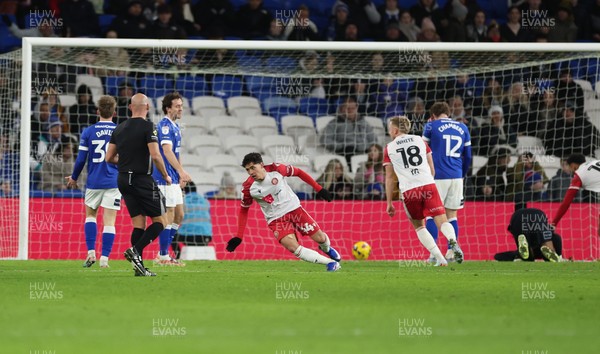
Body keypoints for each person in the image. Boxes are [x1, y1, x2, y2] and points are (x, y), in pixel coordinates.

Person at [226, 152, 342, 272]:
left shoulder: (276, 169)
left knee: (320, 238)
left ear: (261, 165)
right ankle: (330, 263)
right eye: (247, 170)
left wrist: (319, 189)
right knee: (293, 247)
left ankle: (326, 248)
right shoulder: (248, 188)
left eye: (252, 168)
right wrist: (239, 236)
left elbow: (299, 172)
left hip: (294, 209)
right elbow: (244, 210)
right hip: (276, 219)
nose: (250, 172)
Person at [105, 93, 172, 277]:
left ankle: (138, 267)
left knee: (139, 224)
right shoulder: (149, 126)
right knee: (161, 221)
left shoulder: (118, 128)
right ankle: (135, 250)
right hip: (142, 179)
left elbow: (109, 157)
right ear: (148, 107)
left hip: (123, 180)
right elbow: (156, 155)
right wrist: (166, 175)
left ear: (129, 108)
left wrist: (126, 161)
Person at [384, 116, 464, 266]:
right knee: (442, 220)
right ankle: (452, 241)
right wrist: (429, 184)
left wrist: (389, 203)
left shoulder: (389, 148)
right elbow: (431, 167)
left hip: (409, 190)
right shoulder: (420, 140)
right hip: (428, 184)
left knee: (419, 226)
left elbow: (389, 178)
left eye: (389, 128)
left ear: (395, 130)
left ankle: (439, 259)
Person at [66, 96, 121, 268]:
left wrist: (74, 177)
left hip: (94, 182)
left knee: (91, 216)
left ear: (97, 111)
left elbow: (81, 159)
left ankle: (91, 254)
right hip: (113, 182)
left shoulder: (88, 131)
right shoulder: (120, 131)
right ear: (114, 112)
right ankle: (105, 259)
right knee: (110, 221)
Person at [422, 102, 471, 262]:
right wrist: (461, 174)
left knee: (430, 215)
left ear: (433, 115)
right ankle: (451, 251)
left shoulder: (431, 126)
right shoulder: (463, 127)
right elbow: (468, 156)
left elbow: (423, 151)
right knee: (452, 216)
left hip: (437, 176)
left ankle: (434, 254)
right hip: (456, 177)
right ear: (448, 113)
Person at [151, 92, 192, 266]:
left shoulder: (175, 127)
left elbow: (176, 153)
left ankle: (163, 254)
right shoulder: (165, 126)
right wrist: (180, 171)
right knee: (168, 215)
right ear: (168, 108)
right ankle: (163, 256)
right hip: (164, 178)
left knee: (179, 215)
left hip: (173, 178)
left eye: (181, 105)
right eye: (177, 106)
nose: (180, 108)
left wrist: (181, 173)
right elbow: (166, 151)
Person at [551, 154, 600, 242]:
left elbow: (566, 203)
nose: (570, 170)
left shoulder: (579, 175)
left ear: (573, 166)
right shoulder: (594, 162)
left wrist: (554, 223)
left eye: (569, 167)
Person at [320, 96, 378, 165]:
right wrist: (342, 145)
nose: (350, 111)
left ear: (356, 109)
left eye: (353, 108)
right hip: (344, 151)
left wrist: (367, 147)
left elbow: (374, 140)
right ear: (342, 109)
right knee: (349, 150)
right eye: (348, 108)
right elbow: (324, 140)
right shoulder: (335, 123)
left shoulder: (363, 122)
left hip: (364, 151)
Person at [494, 208, 563, 262]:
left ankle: (527, 249)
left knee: (527, 257)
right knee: (545, 245)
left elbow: (498, 256)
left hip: (518, 216)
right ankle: (553, 252)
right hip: (538, 214)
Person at [171, 181, 213, 259]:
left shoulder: (182, 201)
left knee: (170, 233)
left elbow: (176, 218)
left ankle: (178, 256)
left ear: (183, 190)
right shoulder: (206, 201)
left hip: (188, 237)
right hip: (206, 236)